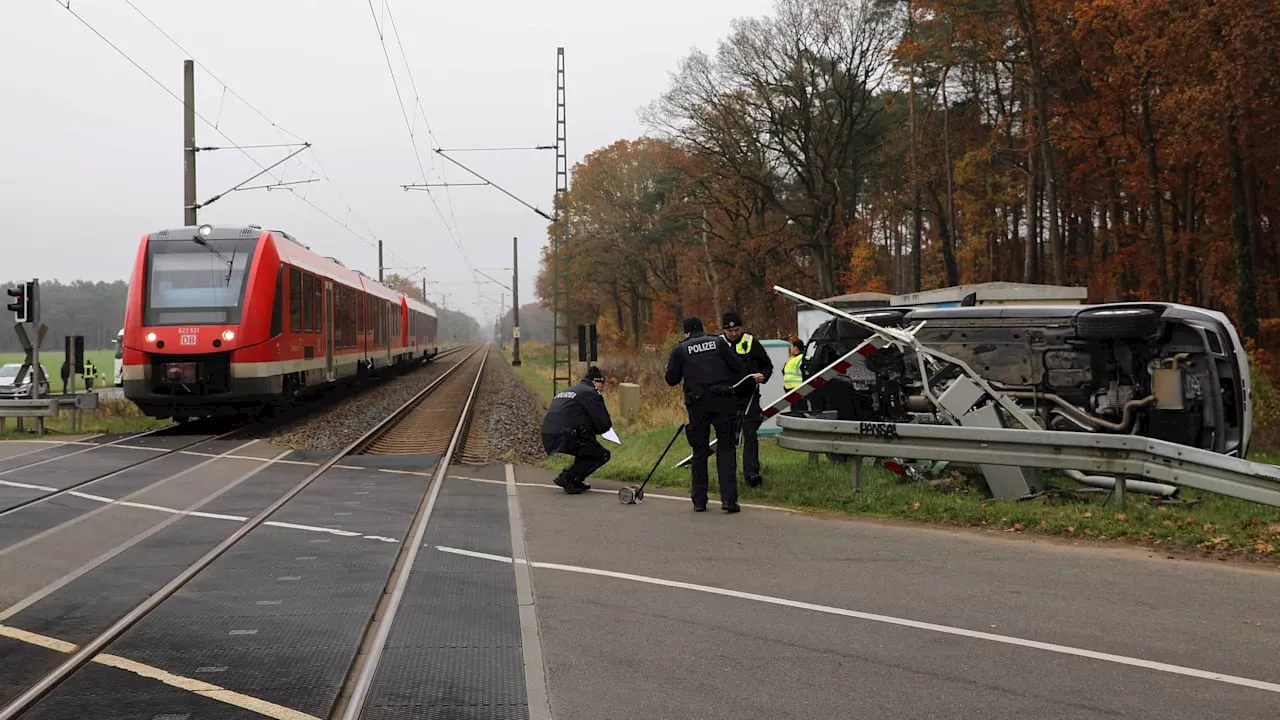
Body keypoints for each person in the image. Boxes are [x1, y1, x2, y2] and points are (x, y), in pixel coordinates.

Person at [665, 316, 746, 513]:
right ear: (703, 328)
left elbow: (671, 379)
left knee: (699, 452)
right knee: (726, 449)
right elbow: (738, 367)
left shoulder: (681, 349)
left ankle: (699, 501)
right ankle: (729, 501)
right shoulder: (718, 342)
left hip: (698, 404)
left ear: (686, 332)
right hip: (723, 401)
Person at [719, 311, 773, 488]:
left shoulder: (750, 342)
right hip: (728, 398)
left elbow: (767, 366)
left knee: (750, 434)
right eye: (730, 331)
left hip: (749, 397)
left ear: (741, 328)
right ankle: (728, 476)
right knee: (728, 438)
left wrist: (763, 376)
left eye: (736, 330)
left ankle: (752, 474)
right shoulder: (719, 344)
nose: (733, 334)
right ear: (724, 331)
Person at [540, 365, 613, 494]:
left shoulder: (571, 390)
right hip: (567, 434)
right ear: (595, 382)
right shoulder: (591, 393)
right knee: (602, 455)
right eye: (602, 384)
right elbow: (604, 424)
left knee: (587, 446)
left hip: (549, 433)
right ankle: (567, 478)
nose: (603, 388)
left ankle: (575, 480)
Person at [782, 338, 808, 415]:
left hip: (799, 389)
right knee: (794, 412)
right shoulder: (792, 359)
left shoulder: (803, 358)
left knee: (800, 412)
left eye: (791, 347)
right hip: (791, 390)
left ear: (795, 347)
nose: (790, 349)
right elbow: (784, 372)